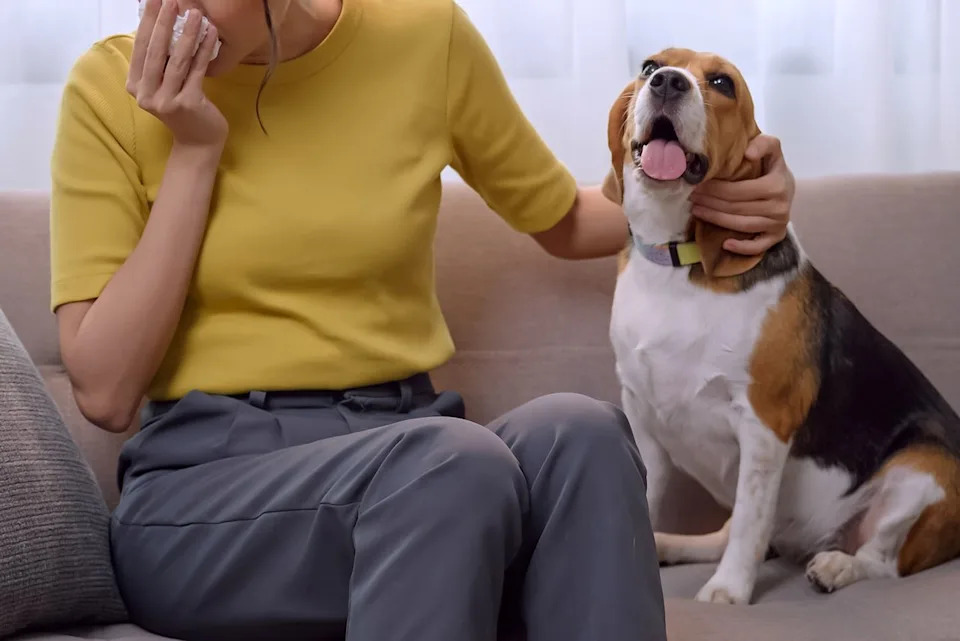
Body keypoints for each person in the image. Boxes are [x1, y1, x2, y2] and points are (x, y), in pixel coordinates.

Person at [49, 0, 795, 639]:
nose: (165, 11)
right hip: (206, 492)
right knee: (448, 464)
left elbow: (566, 219)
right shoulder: (107, 91)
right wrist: (194, 151)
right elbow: (107, 390)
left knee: (587, 437)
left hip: (412, 447)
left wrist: (731, 197)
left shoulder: (422, 36)